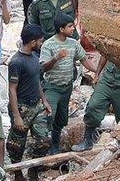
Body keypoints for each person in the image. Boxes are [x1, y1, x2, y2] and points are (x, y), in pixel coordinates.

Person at [39, 14, 90, 153]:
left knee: (61, 119)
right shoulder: (48, 44)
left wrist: (97, 70)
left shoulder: (73, 43)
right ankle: (44, 147)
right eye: (70, 26)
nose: (73, 28)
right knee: (49, 115)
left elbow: (84, 59)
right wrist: (56, 57)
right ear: (61, 29)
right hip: (52, 87)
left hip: (67, 87)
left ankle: (55, 145)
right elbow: (43, 67)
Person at [72, 55, 120, 151]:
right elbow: (105, 54)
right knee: (94, 105)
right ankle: (87, 140)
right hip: (108, 79)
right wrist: (97, 74)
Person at [6, 25, 51, 171]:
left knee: (44, 141)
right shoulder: (16, 62)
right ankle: (17, 173)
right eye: (40, 41)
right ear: (32, 42)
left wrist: (44, 100)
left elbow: (36, 80)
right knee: (17, 145)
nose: (41, 44)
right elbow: (12, 89)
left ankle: (34, 170)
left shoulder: (34, 58)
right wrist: (16, 116)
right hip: (21, 107)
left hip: (36, 106)